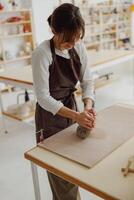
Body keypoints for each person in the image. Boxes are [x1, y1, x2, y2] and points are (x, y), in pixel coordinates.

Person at [32, 3, 96, 200]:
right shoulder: (42, 53)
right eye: (68, 39)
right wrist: (77, 116)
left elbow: (88, 81)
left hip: (72, 111)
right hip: (50, 120)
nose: (73, 43)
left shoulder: (78, 47)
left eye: (77, 38)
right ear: (53, 30)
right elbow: (43, 97)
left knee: (73, 173)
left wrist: (87, 108)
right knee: (63, 182)